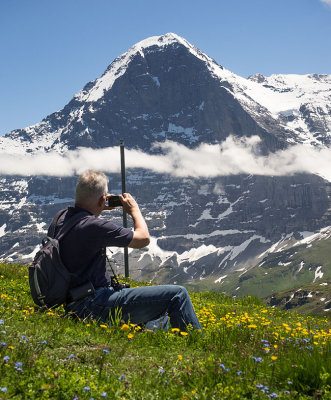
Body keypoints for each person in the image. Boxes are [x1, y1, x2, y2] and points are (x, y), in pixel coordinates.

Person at [48, 170, 202, 332]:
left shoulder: (61, 217)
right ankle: (198, 346)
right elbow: (143, 239)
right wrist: (134, 210)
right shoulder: (93, 226)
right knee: (178, 295)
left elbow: (83, 227)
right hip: (94, 304)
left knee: (158, 314)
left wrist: (97, 206)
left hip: (72, 304)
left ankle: (156, 341)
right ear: (103, 199)